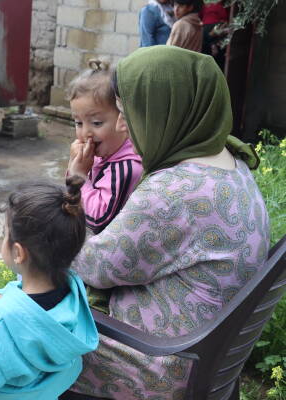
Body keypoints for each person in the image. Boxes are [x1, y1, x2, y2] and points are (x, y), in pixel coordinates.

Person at [61, 46, 269, 399]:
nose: (122, 125)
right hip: (206, 355)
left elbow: (91, 265)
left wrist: (71, 189)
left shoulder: (174, 191)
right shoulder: (229, 161)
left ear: (167, 109)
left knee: (18, 334)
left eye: (129, 112)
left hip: (159, 362)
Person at [0, 178, 99, 400]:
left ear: (18, 253)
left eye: (5, 234)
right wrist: (10, 295)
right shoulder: (75, 297)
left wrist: (4, 310)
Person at [67, 60, 143, 236]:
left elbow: (97, 220)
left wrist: (78, 176)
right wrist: (75, 165)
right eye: (78, 123)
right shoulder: (105, 153)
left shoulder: (126, 167)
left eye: (96, 123)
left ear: (122, 118)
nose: (85, 133)